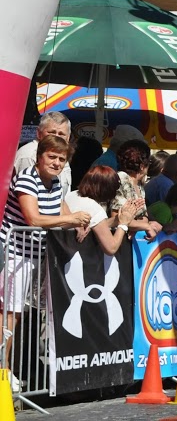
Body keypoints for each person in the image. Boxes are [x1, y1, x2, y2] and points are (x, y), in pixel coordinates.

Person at [1, 135, 91, 391]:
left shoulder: (55, 183)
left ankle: (9, 369)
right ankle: (3, 370)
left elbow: (61, 209)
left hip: (37, 255)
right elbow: (34, 219)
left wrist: (78, 224)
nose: (56, 163)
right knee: (10, 314)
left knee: (21, 315)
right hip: (15, 253)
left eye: (61, 159)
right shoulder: (27, 179)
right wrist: (71, 219)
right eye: (52, 157)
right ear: (39, 156)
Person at [64, 166, 143, 255]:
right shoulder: (95, 208)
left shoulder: (70, 196)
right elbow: (111, 248)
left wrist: (119, 218)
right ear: (107, 189)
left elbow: (99, 224)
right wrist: (123, 224)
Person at [13, 111, 73, 197]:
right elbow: (26, 195)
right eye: (52, 132)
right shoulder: (29, 155)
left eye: (61, 134)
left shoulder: (61, 154)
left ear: (68, 138)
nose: (56, 137)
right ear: (39, 133)